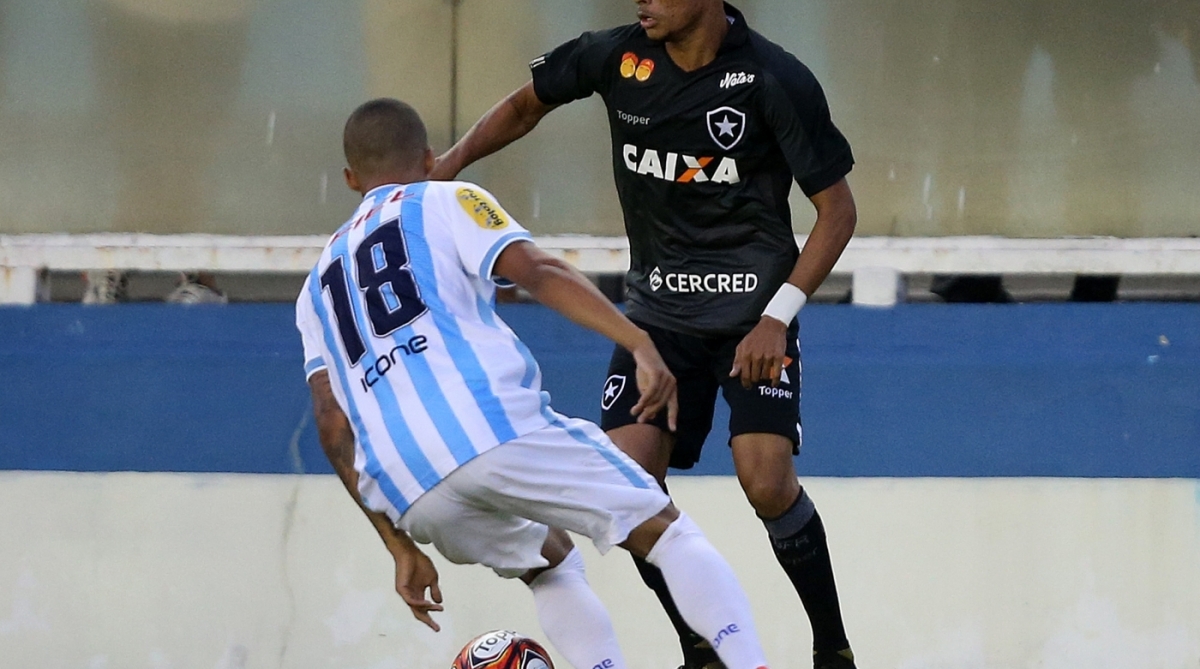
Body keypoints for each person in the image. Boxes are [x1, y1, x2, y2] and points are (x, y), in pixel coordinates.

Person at [430, 2, 859, 668]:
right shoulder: (613, 55)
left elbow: (838, 211)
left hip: (753, 321)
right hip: (656, 320)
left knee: (766, 480)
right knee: (627, 489)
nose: (642, 2)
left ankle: (832, 648)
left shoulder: (775, 78)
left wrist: (778, 315)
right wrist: (448, 165)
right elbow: (525, 105)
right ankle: (700, 648)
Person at [297, 97, 776, 669]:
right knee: (666, 533)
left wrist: (399, 546)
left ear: (351, 178)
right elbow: (539, 271)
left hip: (407, 489)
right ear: (429, 158)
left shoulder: (315, 286)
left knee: (550, 563)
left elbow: (332, 427)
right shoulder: (448, 199)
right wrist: (639, 341)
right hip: (488, 429)